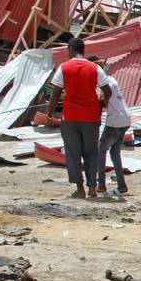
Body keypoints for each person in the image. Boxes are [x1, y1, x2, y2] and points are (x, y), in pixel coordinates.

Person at [45, 37, 111, 199]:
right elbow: (108, 91)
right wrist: (100, 104)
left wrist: (49, 114)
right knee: (91, 152)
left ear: (71, 50)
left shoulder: (64, 68)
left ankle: (79, 189)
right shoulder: (95, 69)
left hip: (70, 117)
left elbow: (55, 94)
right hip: (91, 117)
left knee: (73, 153)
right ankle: (92, 187)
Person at [89, 57, 130, 196]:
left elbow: (103, 101)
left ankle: (101, 185)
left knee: (101, 151)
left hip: (115, 120)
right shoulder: (112, 80)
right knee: (114, 153)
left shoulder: (104, 83)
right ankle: (121, 185)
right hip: (125, 118)